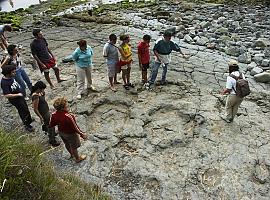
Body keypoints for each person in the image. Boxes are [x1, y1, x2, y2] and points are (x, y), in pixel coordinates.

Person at [49, 97, 87, 163]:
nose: (67, 106)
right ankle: (77, 158)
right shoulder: (69, 116)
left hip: (61, 132)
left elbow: (51, 124)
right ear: (63, 108)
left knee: (66, 143)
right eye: (66, 105)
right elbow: (75, 127)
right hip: (71, 134)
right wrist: (82, 134)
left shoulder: (54, 114)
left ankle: (71, 154)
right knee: (74, 146)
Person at [1, 65, 34, 132]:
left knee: (25, 108)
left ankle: (29, 119)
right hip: (16, 100)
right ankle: (27, 125)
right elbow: (7, 95)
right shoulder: (4, 82)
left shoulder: (11, 77)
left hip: (20, 97)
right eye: (13, 72)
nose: (14, 73)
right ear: (8, 73)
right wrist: (18, 94)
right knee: (22, 111)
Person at [31, 81, 60, 147]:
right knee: (50, 125)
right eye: (42, 89)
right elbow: (35, 108)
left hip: (46, 111)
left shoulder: (38, 94)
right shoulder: (36, 96)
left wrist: (43, 94)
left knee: (50, 124)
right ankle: (52, 140)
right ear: (38, 88)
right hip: (44, 113)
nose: (43, 90)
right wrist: (41, 117)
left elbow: (42, 101)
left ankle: (52, 134)